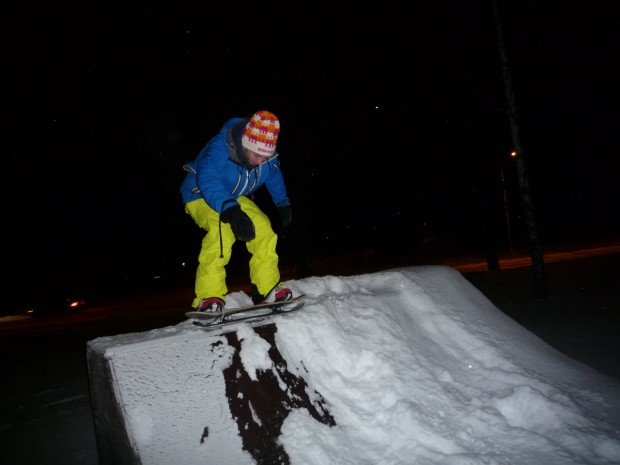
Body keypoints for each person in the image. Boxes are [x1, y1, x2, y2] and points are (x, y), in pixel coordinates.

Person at [180, 110, 293, 313]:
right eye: (257, 155)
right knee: (221, 231)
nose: (261, 161)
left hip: (234, 195)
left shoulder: (266, 156)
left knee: (263, 228)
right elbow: (207, 177)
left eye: (266, 156)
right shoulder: (220, 147)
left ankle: (266, 288)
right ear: (245, 144)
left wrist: (283, 203)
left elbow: (274, 175)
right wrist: (231, 211)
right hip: (200, 194)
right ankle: (209, 296)